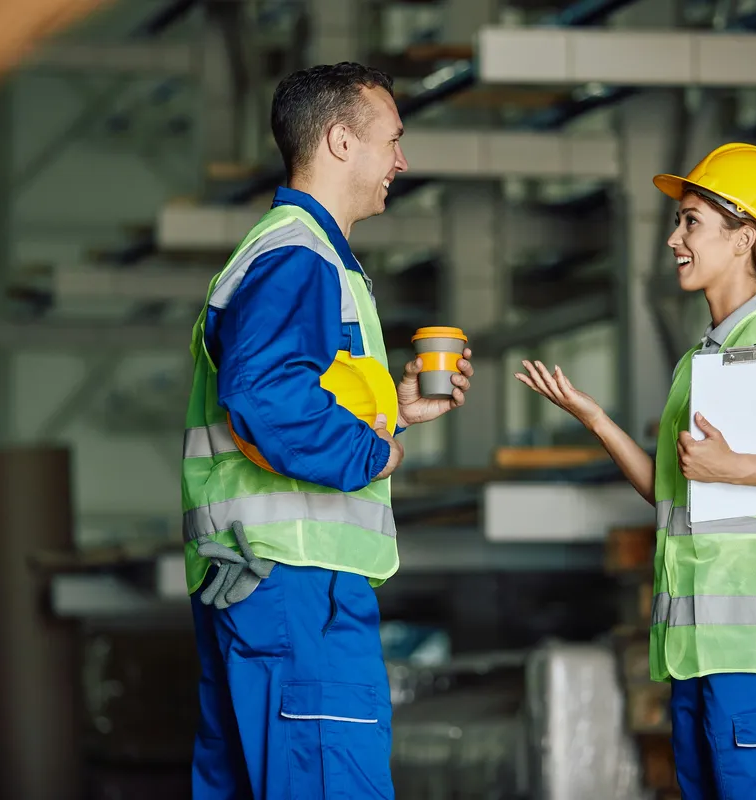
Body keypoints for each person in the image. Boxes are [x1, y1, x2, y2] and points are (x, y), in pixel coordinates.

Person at [515, 142, 756, 800]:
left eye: (690, 222)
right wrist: (594, 418)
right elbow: (670, 491)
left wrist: (735, 466)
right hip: (706, 649)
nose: (673, 239)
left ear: (745, 239)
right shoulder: (703, 360)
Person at [179, 62, 473, 800]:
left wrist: (395, 407)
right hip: (296, 585)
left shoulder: (303, 256)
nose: (401, 162)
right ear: (342, 142)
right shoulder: (299, 257)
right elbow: (264, 395)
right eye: (392, 141)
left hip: (260, 579)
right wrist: (373, 450)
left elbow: (289, 389)